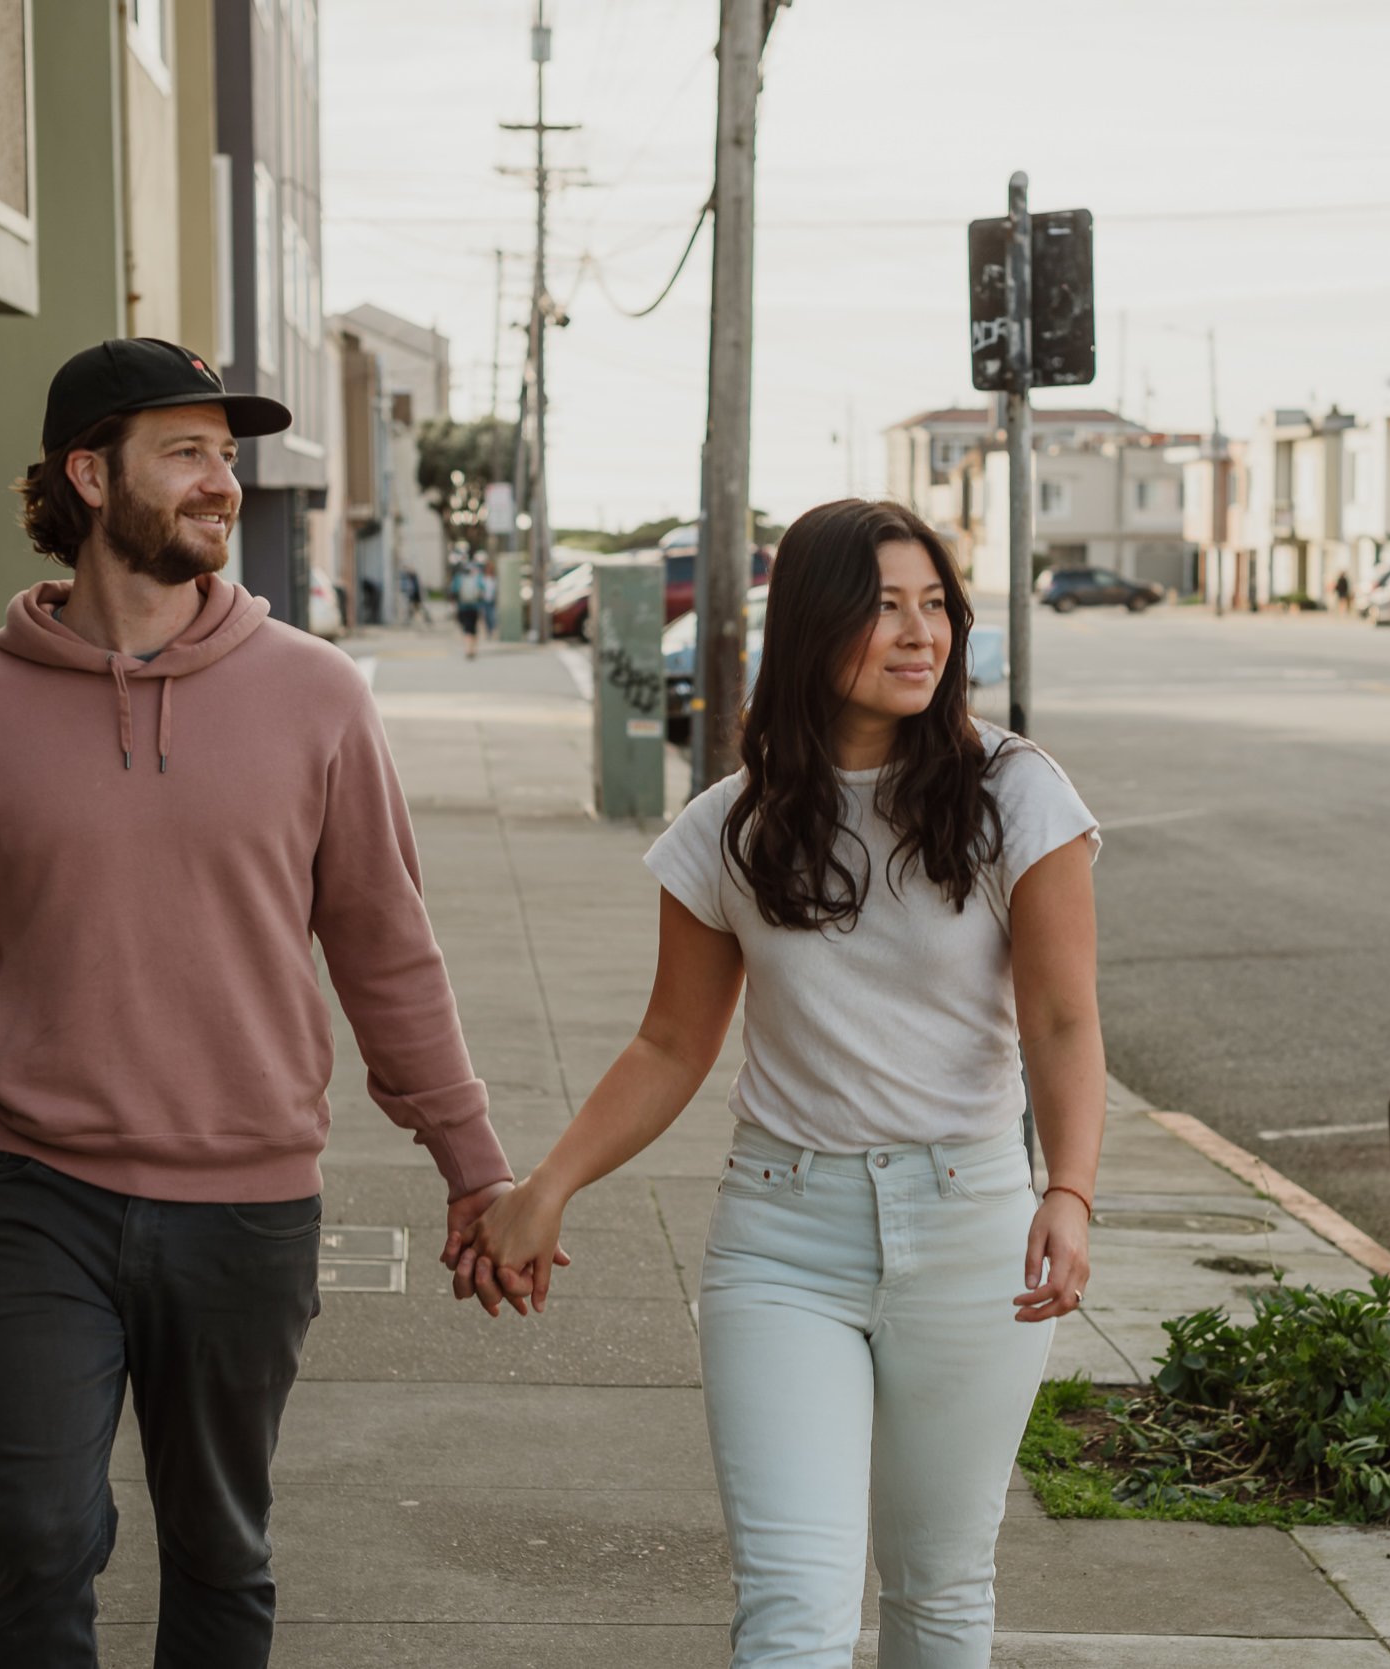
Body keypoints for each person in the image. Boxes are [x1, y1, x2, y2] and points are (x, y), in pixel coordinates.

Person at [0, 337, 551, 1669]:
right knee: (34, 1534)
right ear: (88, 471)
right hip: (32, 1196)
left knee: (222, 1552)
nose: (222, 483)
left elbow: (385, 950)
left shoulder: (318, 697)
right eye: (187, 452)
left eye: (227, 459)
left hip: (245, 1204)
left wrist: (475, 1168)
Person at [459, 498, 1105, 1666]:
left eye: (935, 608)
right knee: (791, 1613)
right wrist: (548, 1185)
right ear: (811, 627)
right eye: (884, 609)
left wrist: (1070, 1190)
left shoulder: (1015, 793)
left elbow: (1061, 1020)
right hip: (782, 1240)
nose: (921, 636)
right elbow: (670, 1043)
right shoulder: (731, 829)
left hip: (970, 1229)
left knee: (939, 1589)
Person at [452, 559, 485, 657]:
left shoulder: (458, 578)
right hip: (475, 607)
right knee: (473, 628)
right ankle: (473, 649)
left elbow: (454, 590)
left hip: (463, 607)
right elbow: (482, 590)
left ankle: (467, 649)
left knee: (466, 628)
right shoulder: (477, 578)